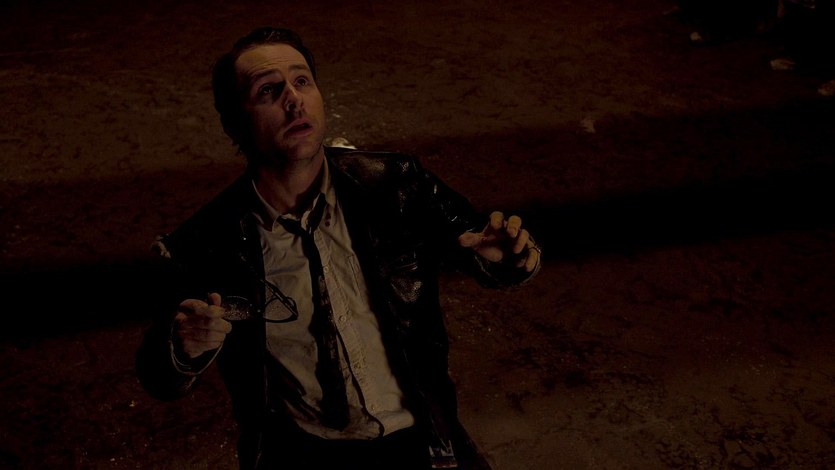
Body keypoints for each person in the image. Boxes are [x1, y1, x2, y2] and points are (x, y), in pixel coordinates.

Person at [136, 26, 541, 470]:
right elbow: (160, 377)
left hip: (425, 441)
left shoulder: (396, 183)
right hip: (303, 455)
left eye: (302, 81)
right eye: (269, 90)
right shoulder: (207, 241)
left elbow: (482, 245)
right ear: (234, 122)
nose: (294, 100)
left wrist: (510, 259)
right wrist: (182, 349)